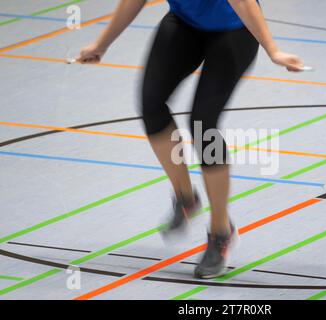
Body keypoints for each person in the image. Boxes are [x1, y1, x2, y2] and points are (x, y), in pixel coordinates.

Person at [78, 0, 303, 279]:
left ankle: (220, 232)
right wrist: (102, 44)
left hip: (235, 31)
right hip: (185, 24)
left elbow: (243, 3)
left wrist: (273, 50)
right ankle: (186, 198)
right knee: (151, 104)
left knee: (203, 123)